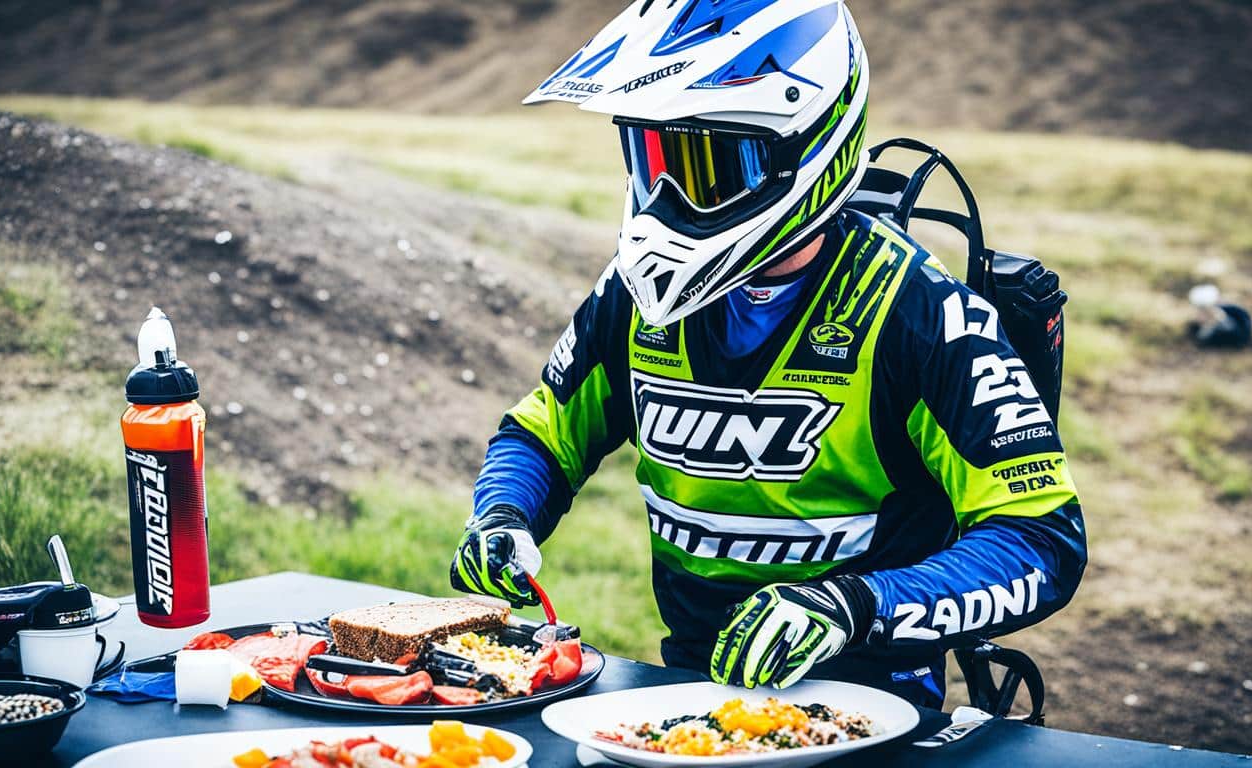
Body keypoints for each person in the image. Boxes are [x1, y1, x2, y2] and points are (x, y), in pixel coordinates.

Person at [449, 0, 1086, 707]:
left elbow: (1041, 538)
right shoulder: (632, 296)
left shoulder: (918, 314)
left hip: (871, 700)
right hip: (686, 682)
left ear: (807, 148)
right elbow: (545, 432)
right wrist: (504, 512)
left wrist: (854, 606)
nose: (667, 197)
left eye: (709, 165)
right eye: (653, 158)